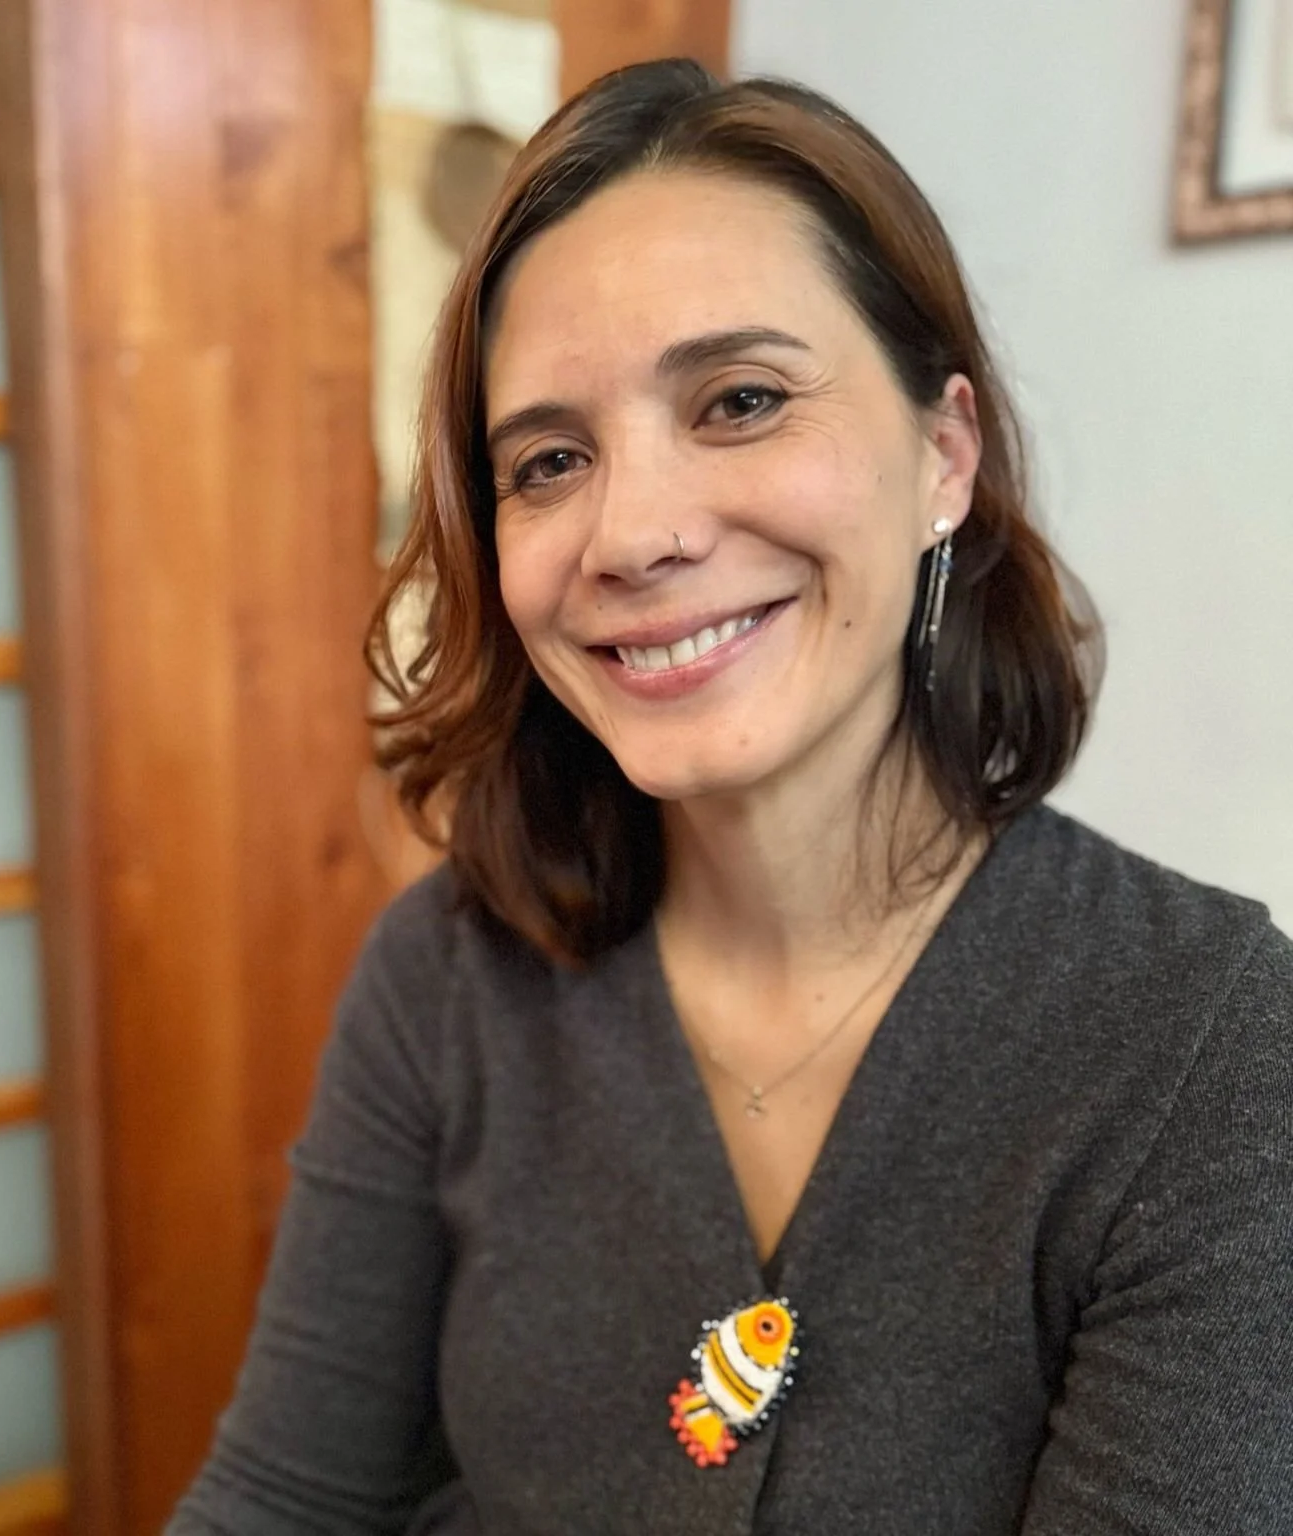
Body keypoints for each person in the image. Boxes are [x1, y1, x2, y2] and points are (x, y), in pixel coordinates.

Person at [168, 59, 1293, 1535]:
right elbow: (279, 1501)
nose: (631, 533)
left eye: (743, 400)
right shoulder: (447, 980)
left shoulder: (1206, 1049)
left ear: (943, 454)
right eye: (551, 460)